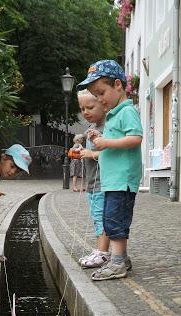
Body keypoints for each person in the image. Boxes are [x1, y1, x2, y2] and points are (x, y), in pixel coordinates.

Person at [77, 59, 142, 280]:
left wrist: (106, 143)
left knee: (115, 220)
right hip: (112, 179)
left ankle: (117, 263)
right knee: (111, 219)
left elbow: (135, 138)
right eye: (95, 94)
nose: (99, 99)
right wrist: (101, 139)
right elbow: (114, 142)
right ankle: (120, 258)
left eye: (101, 92)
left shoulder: (126, 111)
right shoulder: (115, 113)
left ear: (117, 85)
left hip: (122, 179)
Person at [76, 89, 110, 268]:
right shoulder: (91, 129)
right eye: (82, 108)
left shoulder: (107, 129)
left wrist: (91, 153)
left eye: (89, 107)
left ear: (103, 106)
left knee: (100, 217)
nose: (85, 112)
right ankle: (100, 250)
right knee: (97, 216)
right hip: (92, 183)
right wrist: (81, 152)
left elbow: (110, 153)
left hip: (102, 183)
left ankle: (103, 252)